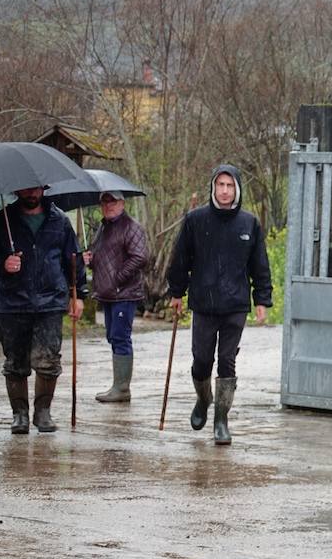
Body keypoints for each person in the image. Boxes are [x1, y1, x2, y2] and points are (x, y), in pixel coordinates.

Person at [165, 164, 272, 446]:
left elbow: (259, 264)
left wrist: (262, 299)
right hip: (204, 301)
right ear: (213, 188)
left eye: (229, 186)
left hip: (235, 304)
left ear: (237, 189)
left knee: (227, 361)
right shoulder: (196, 220)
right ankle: (203, 399)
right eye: (220, 185)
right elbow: (180, 259)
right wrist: (176, 292)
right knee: (202, 360)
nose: (224, 191)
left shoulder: (249, 223)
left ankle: (221, 420)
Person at [0, 186, 86, 434]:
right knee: (15, 362)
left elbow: (73, 259)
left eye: (35, 187)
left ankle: (43, 412)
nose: (31, 193)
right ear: (17, 190)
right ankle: (20, 415)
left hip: (50, 301)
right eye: (26, 188)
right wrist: (3, 263)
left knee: (48, 359)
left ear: (43, 189)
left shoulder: (60, 220)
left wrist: (78, 294)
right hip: (12, 303)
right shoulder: (1, 220)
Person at [83, 191, 149, 403]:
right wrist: (90, 258)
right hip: (108, 294)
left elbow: (140, 257)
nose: (108, 205)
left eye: (113, 201)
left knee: (120, 337)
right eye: (105, 201)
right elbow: (102, 257)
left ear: (122, 203)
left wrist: (118, 277)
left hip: (124, 293)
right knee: (113, 337)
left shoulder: (132, 227)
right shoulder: (103, 227)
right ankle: (118, 385)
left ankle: (122, 389)